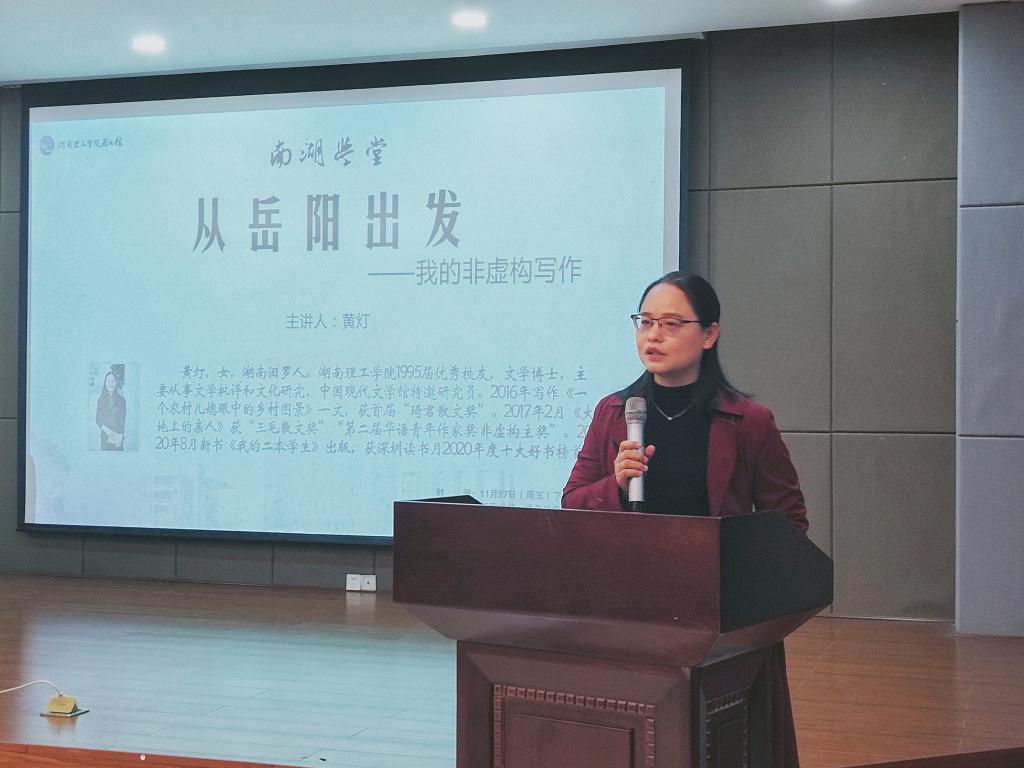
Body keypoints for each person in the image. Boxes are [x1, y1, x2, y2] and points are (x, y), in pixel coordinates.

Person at [562, 271, 807, 768]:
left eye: (672, 324)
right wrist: (615, 485)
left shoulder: (749, 422)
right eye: (645, 322)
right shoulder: (614, 412)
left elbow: (789, 524)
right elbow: (572, 504)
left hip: (719, 615)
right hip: (630, 607)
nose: (653, 336)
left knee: (712, 744)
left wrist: (748, 585)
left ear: (709, 334)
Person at [96, 370, 126, 451]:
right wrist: (108, 431)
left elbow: (122, 421)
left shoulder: (122, 401)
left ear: (116, 382)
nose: (110, 384)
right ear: (105, 383)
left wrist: (120, 438)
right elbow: (98, 419)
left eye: (113, 381)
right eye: (108, 381)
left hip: (118, 438)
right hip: (105, 437)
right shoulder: (101, 400)